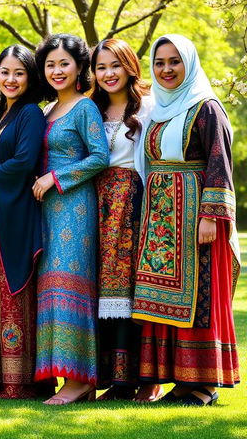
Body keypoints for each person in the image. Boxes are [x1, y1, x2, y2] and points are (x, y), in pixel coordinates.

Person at [131, 34, 240, 405]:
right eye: (159, 62)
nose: (166, 69)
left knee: (200, 295)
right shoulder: (158, 110)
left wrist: (212, 215)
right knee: (162, 297)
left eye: (174, 61)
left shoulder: (207, 107)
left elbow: (219, 163)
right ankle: (179, 378)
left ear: (189, 63)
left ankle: (204, 383)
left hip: (195, 216)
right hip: (160, 215)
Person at [32, 33, 109, 405]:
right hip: (45, 210)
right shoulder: (47, 111)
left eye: (64, 63)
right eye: (50, 64)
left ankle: (80, 380)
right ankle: (62, 374)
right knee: (50, 285)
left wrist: (56, 178)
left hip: (75, 206)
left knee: (72, 283)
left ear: (80, 67)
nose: (57, 70)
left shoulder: (84, 107)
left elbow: (99, 157)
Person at [0, 44, 48, 398]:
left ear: (30, 77)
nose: (10, 79)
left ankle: (22, 382)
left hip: (17, 214)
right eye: (4, 72)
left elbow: (24, 161)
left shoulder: (30, 112)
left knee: (14, 292)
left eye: (19, 72)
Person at [90, 38, 151, 401]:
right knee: (99, 289)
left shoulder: (149, 106)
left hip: (133, 202)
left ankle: (133, 379)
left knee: (130, 290)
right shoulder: (90, 109)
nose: (108, 73)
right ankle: (107, 377)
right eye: (101, 67)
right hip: (95, 203)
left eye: (115, 65)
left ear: (129, 65)